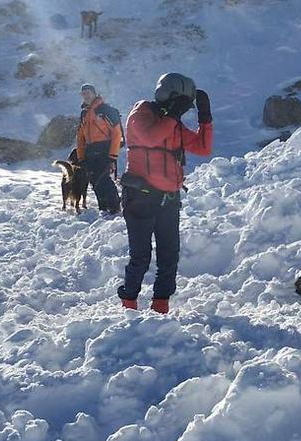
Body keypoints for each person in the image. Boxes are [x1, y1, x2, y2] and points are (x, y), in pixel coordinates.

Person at [116, 73, 213, 313]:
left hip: (168, 198)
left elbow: (203, 147)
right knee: (140, 256)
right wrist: (172, 115)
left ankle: (161, 305)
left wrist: (205, 117)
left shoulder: (173, 123)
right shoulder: (141, 113)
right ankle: (128, 305)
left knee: (169, 256)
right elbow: (150, 138)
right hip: (141, 196)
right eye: (182, 102)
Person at [76, 83, 123, 214]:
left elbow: (117, 133)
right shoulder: (84, 114)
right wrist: (81, 157)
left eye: (88, 92)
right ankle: (103, 208)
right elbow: (80, 137)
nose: (86, 96)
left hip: (104, 150)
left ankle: (114, 208)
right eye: (83, 93)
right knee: (94, 180)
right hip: (90, 151)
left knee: (104, 179)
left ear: (94, 94)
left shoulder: (105, 110)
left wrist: (112, 156)